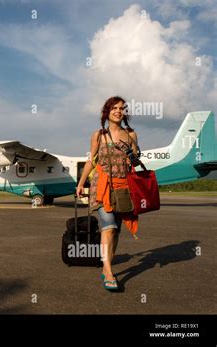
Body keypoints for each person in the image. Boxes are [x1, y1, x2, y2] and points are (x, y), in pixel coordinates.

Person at [76, 96, 140, 291]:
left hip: (123, 187)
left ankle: (106, 266)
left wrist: (134, 154)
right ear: (107, 111)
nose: (118, 111)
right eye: (114, 108)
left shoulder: (131, 135)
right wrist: (81, 183)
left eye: (121, 108)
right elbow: (90, 161)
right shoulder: (98, 135)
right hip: (102, 186)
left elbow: (136, 159)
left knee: (116, 231)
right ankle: (109, 271)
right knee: (109, 227)